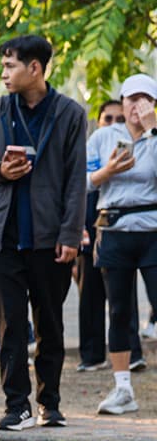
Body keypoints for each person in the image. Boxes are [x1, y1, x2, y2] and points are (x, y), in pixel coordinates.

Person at [0, 35, 86, 430]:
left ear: (34, 68)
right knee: (10, 326)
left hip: (49, 238)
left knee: (50, 324)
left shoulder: (71, 114)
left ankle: (49, 403)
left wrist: (71, 235)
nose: (4, 74)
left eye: (10, 66)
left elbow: (76, 181)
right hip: (3, 235)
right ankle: (15, 405)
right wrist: (0, 172)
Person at [90, 74, 157, 416]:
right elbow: (83, 181)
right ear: (122, 102)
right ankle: (123, 389)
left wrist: (153, 132)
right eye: (132, 99)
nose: (137, 106)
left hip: (152, 229)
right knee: (118, 310)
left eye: (146, 99)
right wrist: (108, 171)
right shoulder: (103, 137)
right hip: (114, 228)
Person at [76, 99, 144, 373]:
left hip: (122, 233)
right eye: (109, 119)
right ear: (100, 121)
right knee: (89, 295)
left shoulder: (139, 150)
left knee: (123, 297)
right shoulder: (93, 148)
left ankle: (133, 353)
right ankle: (91, 355)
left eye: (120, 119)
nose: (115, 124)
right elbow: (77, 190)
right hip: (89, 231)